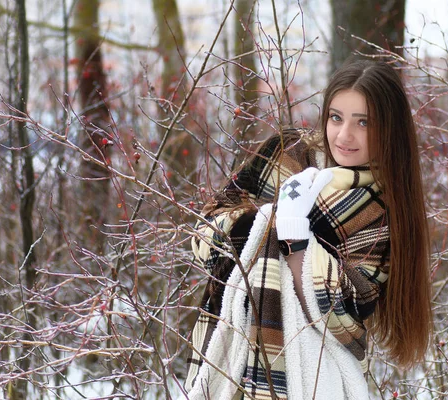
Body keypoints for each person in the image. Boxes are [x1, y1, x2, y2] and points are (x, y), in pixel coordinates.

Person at [184, 58, 431, 399]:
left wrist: (295, 235)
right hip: (227, 357)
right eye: (336, 117)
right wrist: (268, 220)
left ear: (390, 128)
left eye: (364, 123)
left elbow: (344, 319)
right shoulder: (287, 152)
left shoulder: (381, 211)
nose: (345, 135)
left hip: (306, 377)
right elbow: (204, 233)